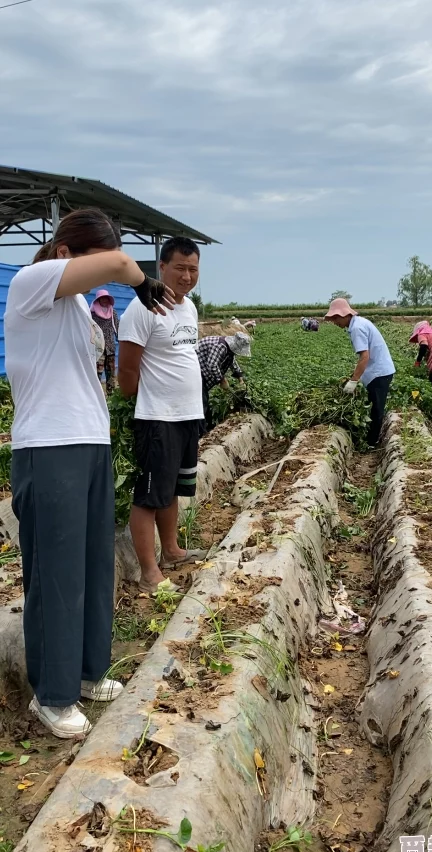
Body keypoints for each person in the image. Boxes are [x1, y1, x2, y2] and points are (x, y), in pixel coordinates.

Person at [4, 207, 175, 739]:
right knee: (55, 575)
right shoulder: (32, 284)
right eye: (94, 258)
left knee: (92, 566)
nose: (108, 268)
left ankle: (86, 672)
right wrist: (140, 278)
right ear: (64, 254)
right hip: (48, 447)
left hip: (89, 443)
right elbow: (123, 262)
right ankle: (51, 697)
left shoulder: (78, 305)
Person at [118, 237, 208, 595]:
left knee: (171, 489)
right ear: (162, 268)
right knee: (149, 495)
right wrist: (140, 401)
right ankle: (149, 572)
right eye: (180, 268)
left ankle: (171, 550)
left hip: (188, 415)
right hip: (157, 417)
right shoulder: (142, 309)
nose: (187, 276)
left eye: (193, 269)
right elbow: (127, 370)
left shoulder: (189, 309)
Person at [324, 298, 395, 447]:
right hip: (378, 371)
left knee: (376, 410)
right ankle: (370, 439)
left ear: (344, 315)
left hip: (379, 373)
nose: (335, 322)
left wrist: (354, 380)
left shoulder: (357, 328)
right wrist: (355, 375)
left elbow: (365, 356)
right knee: (373, 407)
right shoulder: (359, 323)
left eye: (335, 318)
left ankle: (372, 444)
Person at [196, 332, 251, 436]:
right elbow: (212, 365)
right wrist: (222, 380)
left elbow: (232, 362)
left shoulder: (229, 350)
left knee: (204, 401)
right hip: (194, 372)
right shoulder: (220, 346)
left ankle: (207, 428)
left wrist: (240, 378)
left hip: (201, 374)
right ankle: (201, 433)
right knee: (202, 402)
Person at [90, 288, 120, 394]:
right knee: (97, 372)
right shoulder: (92, 314)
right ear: (98, 300)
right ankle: (96, 395)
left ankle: (111, 395)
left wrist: (120, 339)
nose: (104, 301)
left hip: (110, 348)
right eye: (102, 299)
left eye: (106, 298)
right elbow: (89, 330)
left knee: (111, 373)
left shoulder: (113, 313)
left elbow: (117, 327)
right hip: (98, 349)